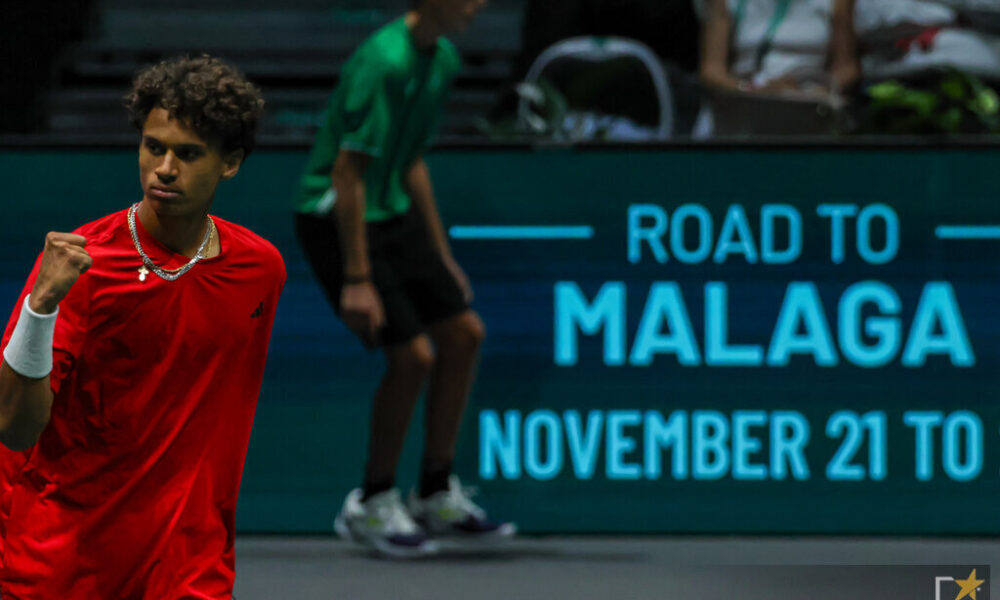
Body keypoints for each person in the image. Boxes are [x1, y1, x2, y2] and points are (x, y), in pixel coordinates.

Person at [0, 55, 285, 598]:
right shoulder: (81, 266)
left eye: (188, 153)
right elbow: (13, 428)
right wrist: (40, 308)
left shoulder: (260, 271)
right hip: (66, 557)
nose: (165, 168)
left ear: (230, 163)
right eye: (154, 147)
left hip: (188, 561)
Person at [295, 0, 515, 557]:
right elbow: (347, 173)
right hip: (335, 214)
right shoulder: (383, 62)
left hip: (391, 210)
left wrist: (440, 255)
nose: (479, 4)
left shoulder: (442, 59)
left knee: (464, 336)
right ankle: (371, 501)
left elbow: (411, 159)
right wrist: (357, 277)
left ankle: (435, 492)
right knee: (413, 356)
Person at [698, 0, 861, 135]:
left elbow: (847, 69)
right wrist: (751, 90)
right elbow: (711, 70)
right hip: (743, 110)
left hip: (808, 109)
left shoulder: (837, 3)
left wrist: (811, 93)